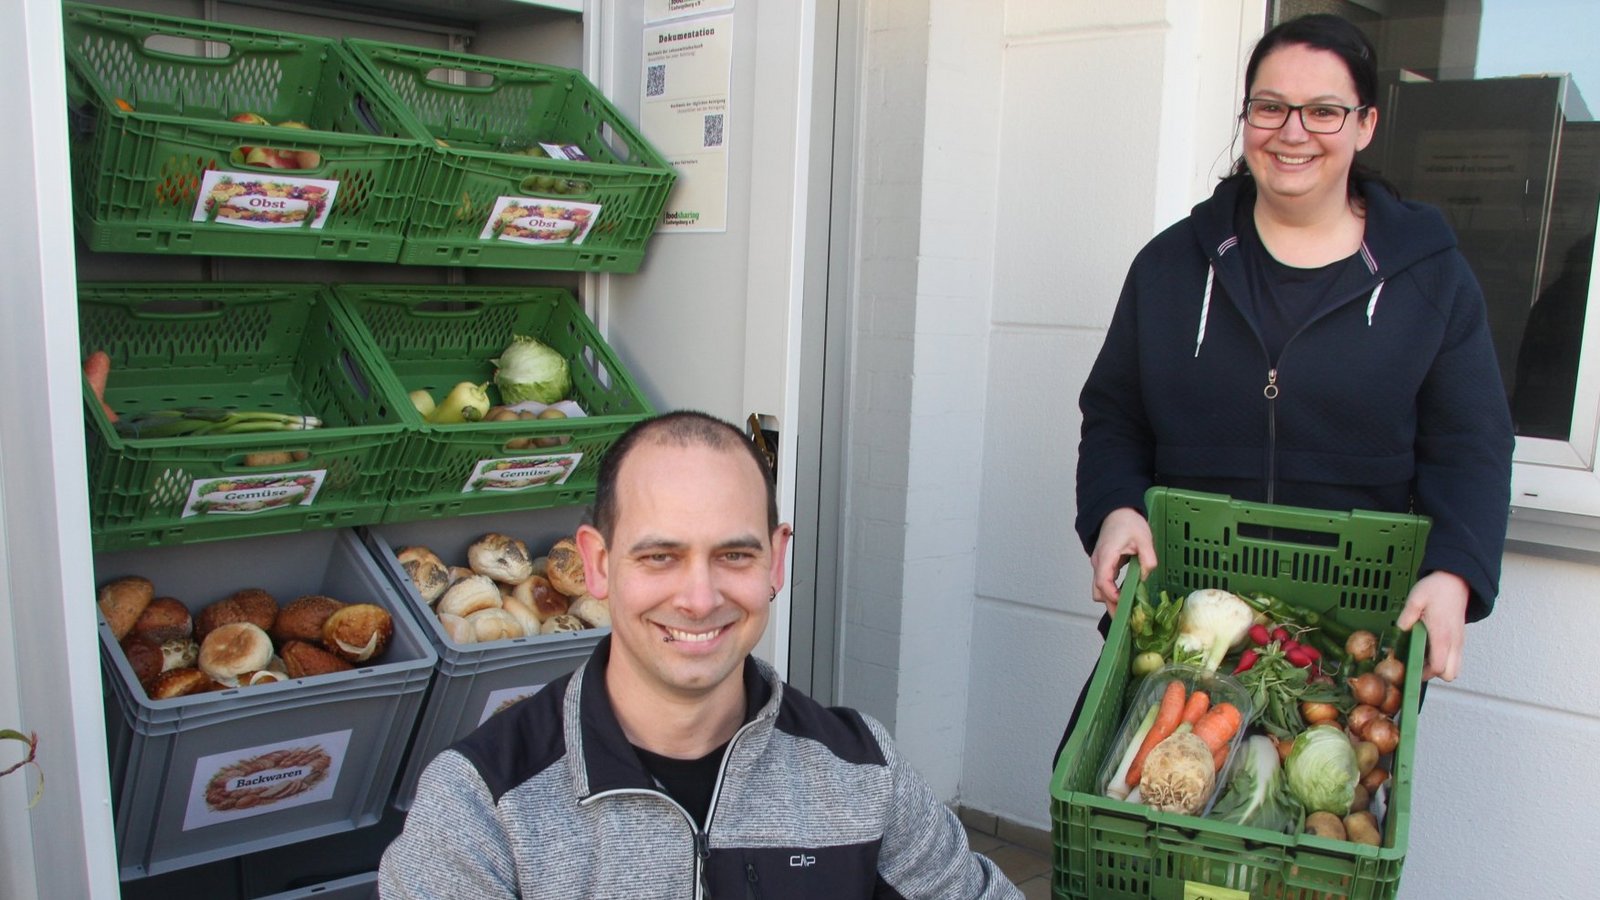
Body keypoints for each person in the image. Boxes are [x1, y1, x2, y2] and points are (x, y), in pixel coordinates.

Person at [1063, 12, 1513, 759]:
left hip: (1342, 644)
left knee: (1299, 855)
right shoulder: (1172, 268)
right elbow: (1114, 415)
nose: (1292, 131)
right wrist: (1113, 508)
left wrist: (1457, 571)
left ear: (1365, 124)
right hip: (1187, 625)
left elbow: (1471, 443)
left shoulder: (1430, 279)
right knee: (1119, 816)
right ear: (1247, 119)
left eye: (1324, 111)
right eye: (1269, 107)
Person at [380, 410, 1021, 899]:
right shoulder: (485, 802)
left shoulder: (861, 775)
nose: (698, 597)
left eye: (734, 555)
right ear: (598, 565)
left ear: (777, 560)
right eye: (661, 556)